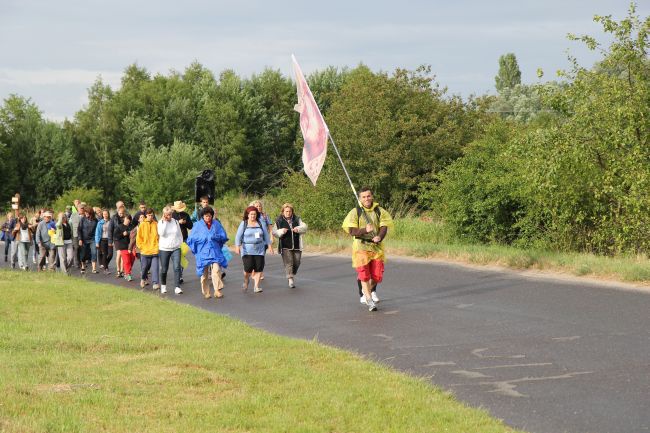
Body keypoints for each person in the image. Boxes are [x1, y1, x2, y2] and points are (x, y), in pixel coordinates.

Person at [341, 187, 394, 312]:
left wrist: (379, 237)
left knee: (376, 276)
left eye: (368, 196)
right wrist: (365, 230)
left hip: (376, 247)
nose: (366, 199)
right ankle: (369, 301)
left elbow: (384, 226)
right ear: (360, 198)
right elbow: (351, 231)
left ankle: (367, 292)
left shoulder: (380, 211)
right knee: (364, 276)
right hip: (361, 247)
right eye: (363, 197)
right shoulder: (355, 212)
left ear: (372, 196)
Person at [186, 206, 229, 299]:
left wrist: (215, 236)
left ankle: (217, 290)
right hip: (203, 252)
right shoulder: (197, 225)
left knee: (217, 269)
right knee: (204, 274)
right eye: (206, 216)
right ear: (202, 216)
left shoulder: (217, 224)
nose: (208, 218)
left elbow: (223, 236)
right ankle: (206, 292)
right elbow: (191, 239)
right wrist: (203, 238)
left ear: (212, 216)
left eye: (209, 216)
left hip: (214, 251)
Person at [235, 206, 270, 293]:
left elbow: (266, 235)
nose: (253, 216)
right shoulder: (244, 223)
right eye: (251, 214)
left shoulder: (260, 222)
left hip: (260, 249)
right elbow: (238, 236)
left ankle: (256, 286)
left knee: (259, 268)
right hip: (247, 249)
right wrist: (237, 246)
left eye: (254, 214)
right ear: (247, 215)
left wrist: (269, 246)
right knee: (248, 268)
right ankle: (246, 279)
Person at [272, 203, 308, 288]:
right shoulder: (278, 220)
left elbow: (305, 227)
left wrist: (298, 229)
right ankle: (290, 279)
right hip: (285, 245)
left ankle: (291, 273)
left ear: (292, 211)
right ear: (283, 212)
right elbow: (274, 232)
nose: (288, 213)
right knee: (289, 262)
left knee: (297, 262)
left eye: (290, 211)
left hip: (297, 245)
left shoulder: (297, 219)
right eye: (286, 211)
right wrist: (281, 231)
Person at [158, 206, 183, 295]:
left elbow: (179, 234)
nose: (169, 216)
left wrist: (180, 243)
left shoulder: (175, 222)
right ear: (164, 215)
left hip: (176, 248)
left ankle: (177, 287)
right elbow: (161, 233)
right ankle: (163, 286)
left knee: (177, 267)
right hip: (164, 249)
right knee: (164, 269)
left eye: (170, 214)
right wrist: (164, 222)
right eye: (167, 215)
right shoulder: (160, 222)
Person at [136, 208, 160, 291]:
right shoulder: (142, 224)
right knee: (145, 267)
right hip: (145, 251)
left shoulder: (156, 224)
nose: (151, 216)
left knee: (155, 267)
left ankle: (155, 283)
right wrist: (142, 247)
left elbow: (159, 236)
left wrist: (158, 245)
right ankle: (143, 279)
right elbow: (138, 238)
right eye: (149, 215)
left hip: (155, 250)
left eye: (152, 215)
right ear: (146, 215)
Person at [171, 200, 193, 283]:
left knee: (182, 257)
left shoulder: (186, 215)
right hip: (174, 239)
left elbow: (190, 226)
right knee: (176, 258)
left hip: (184, 239)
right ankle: (178, 273)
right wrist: (178, 223)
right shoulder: (172, 216)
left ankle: (180, 275)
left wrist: (185, 222)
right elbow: (170, 226)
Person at [78, 207, 98, 274]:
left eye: (87, 213)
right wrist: (80, 239)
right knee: (83, 254)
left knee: (94, 252)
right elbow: (79, 230)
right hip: (84, 239)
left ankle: (94, 269)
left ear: (91, 213)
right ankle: (83, 266)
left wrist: (97, 240)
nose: (86, 214)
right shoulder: (82, 219)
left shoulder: (95, 220)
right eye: (85, 212)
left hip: (93, 239)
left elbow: (97, 231)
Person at [114, 214, 133, 281]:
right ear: (124, 219)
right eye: (126, 219)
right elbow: (116, 236)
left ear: (130, 220)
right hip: (122, 245)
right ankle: (125, 273)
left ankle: (125, 272)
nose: (127, 220)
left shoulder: (131, 227)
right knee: (126, 260)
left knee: (130, 261)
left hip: (130, 246)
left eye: (128, 219)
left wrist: (127, 233)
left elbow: (133, 233)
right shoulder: (119, 227)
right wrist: (122, 234)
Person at [95, 209, 113, 274]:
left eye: (106, 214)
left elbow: (113, 231)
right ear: (102, 215)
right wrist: (97, 242)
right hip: (102, 240)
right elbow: (97, 233)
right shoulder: (100, 222)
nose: (105, 215)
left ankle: (105, 264)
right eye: (104, 214)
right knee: (105, 254)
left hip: (110, 240)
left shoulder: (111, 221)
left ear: (108, 214)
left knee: (110, 254)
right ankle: (106, 269)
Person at [68, 202, 83, 268]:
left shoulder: (85, 215)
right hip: (75, 235)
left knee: (81, 249)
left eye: (83, 208)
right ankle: (76, 262)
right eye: (81, 208)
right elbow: (70, 224)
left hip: (83, 234)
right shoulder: (74, 215)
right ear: (77, 209)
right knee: (76, 248)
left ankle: (80, 262)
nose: (82, 209)